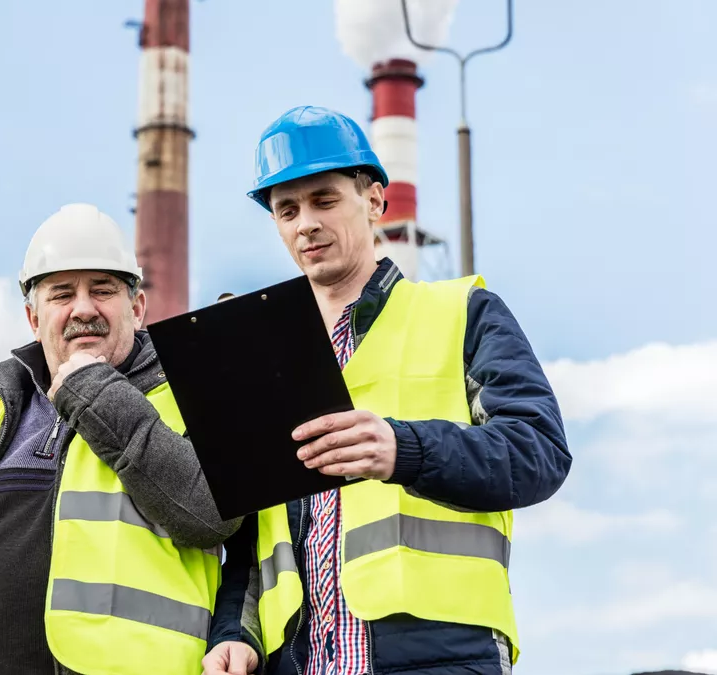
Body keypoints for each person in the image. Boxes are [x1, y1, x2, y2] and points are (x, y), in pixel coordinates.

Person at [202, 107, 572, 675]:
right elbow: (253, 537)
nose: (306, 224)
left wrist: (404, 450)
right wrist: (235, 633)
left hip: (440, 656)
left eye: (324, 200)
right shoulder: (261, 354)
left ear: (374, 200)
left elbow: (538, 452)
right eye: (287, 210)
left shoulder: (462, 313)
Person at [0, 203, 241, 675]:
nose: (83, 308)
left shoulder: (190, 392)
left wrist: (95, 390)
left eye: (102, 290)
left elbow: (211, 516)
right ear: (32, 317)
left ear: (137, 308)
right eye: (62, 294)